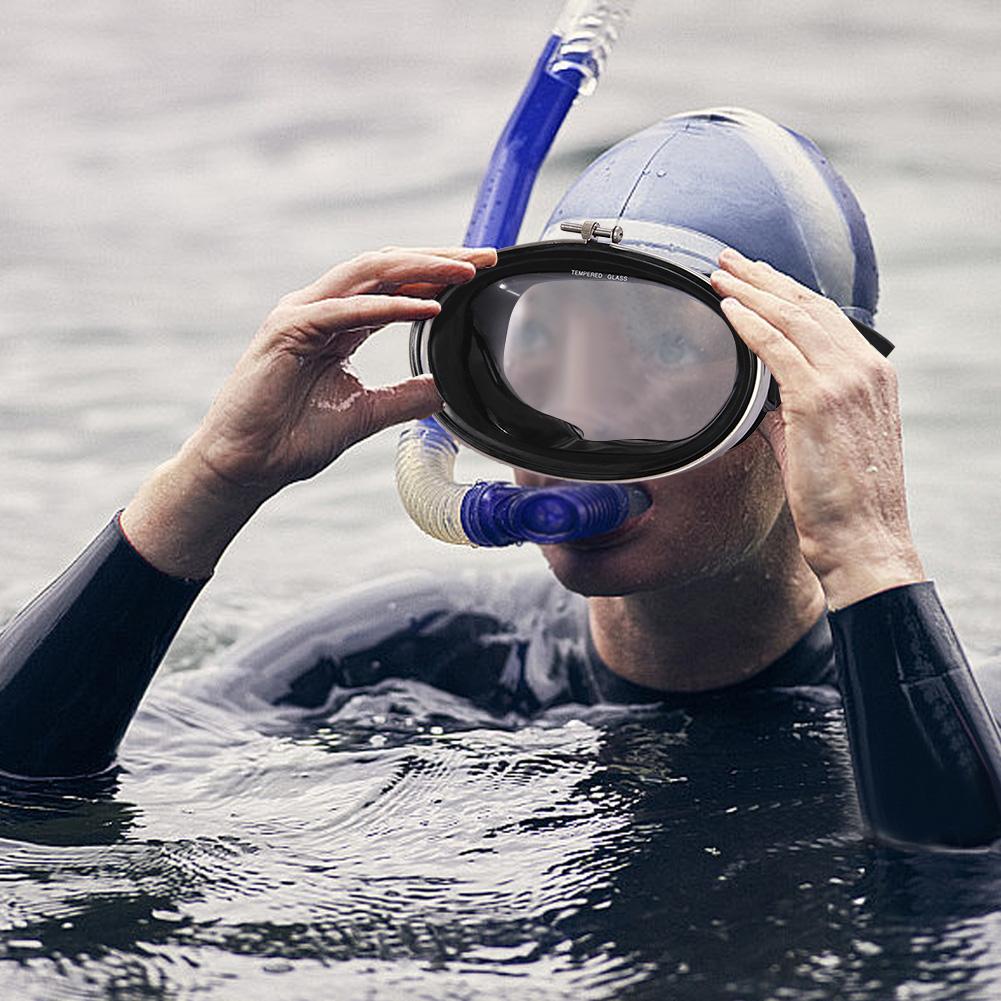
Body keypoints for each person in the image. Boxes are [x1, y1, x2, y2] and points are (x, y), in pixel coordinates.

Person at [2, 108, 1000, 850]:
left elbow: (957, 909)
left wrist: (869, 549)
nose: (566, 437)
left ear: (812, 401)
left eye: (652, 372)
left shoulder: (940, 721)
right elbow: (18, 797)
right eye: (534, 367)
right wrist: (213, 481)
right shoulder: (400, 664)